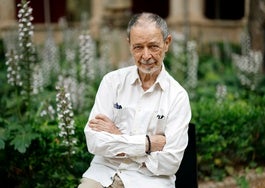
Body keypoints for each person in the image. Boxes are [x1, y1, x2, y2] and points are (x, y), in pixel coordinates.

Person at [78, 12, 191, 188]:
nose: (146, 56)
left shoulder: (177, 96)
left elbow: (169, 163)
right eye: (138, 47)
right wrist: (148, 143)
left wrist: (117, 136)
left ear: (167, 43)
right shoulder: (112, 82)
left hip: (149, 180)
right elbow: (94, 142)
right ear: (129, 45)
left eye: (153, 46)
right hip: (103, 173)